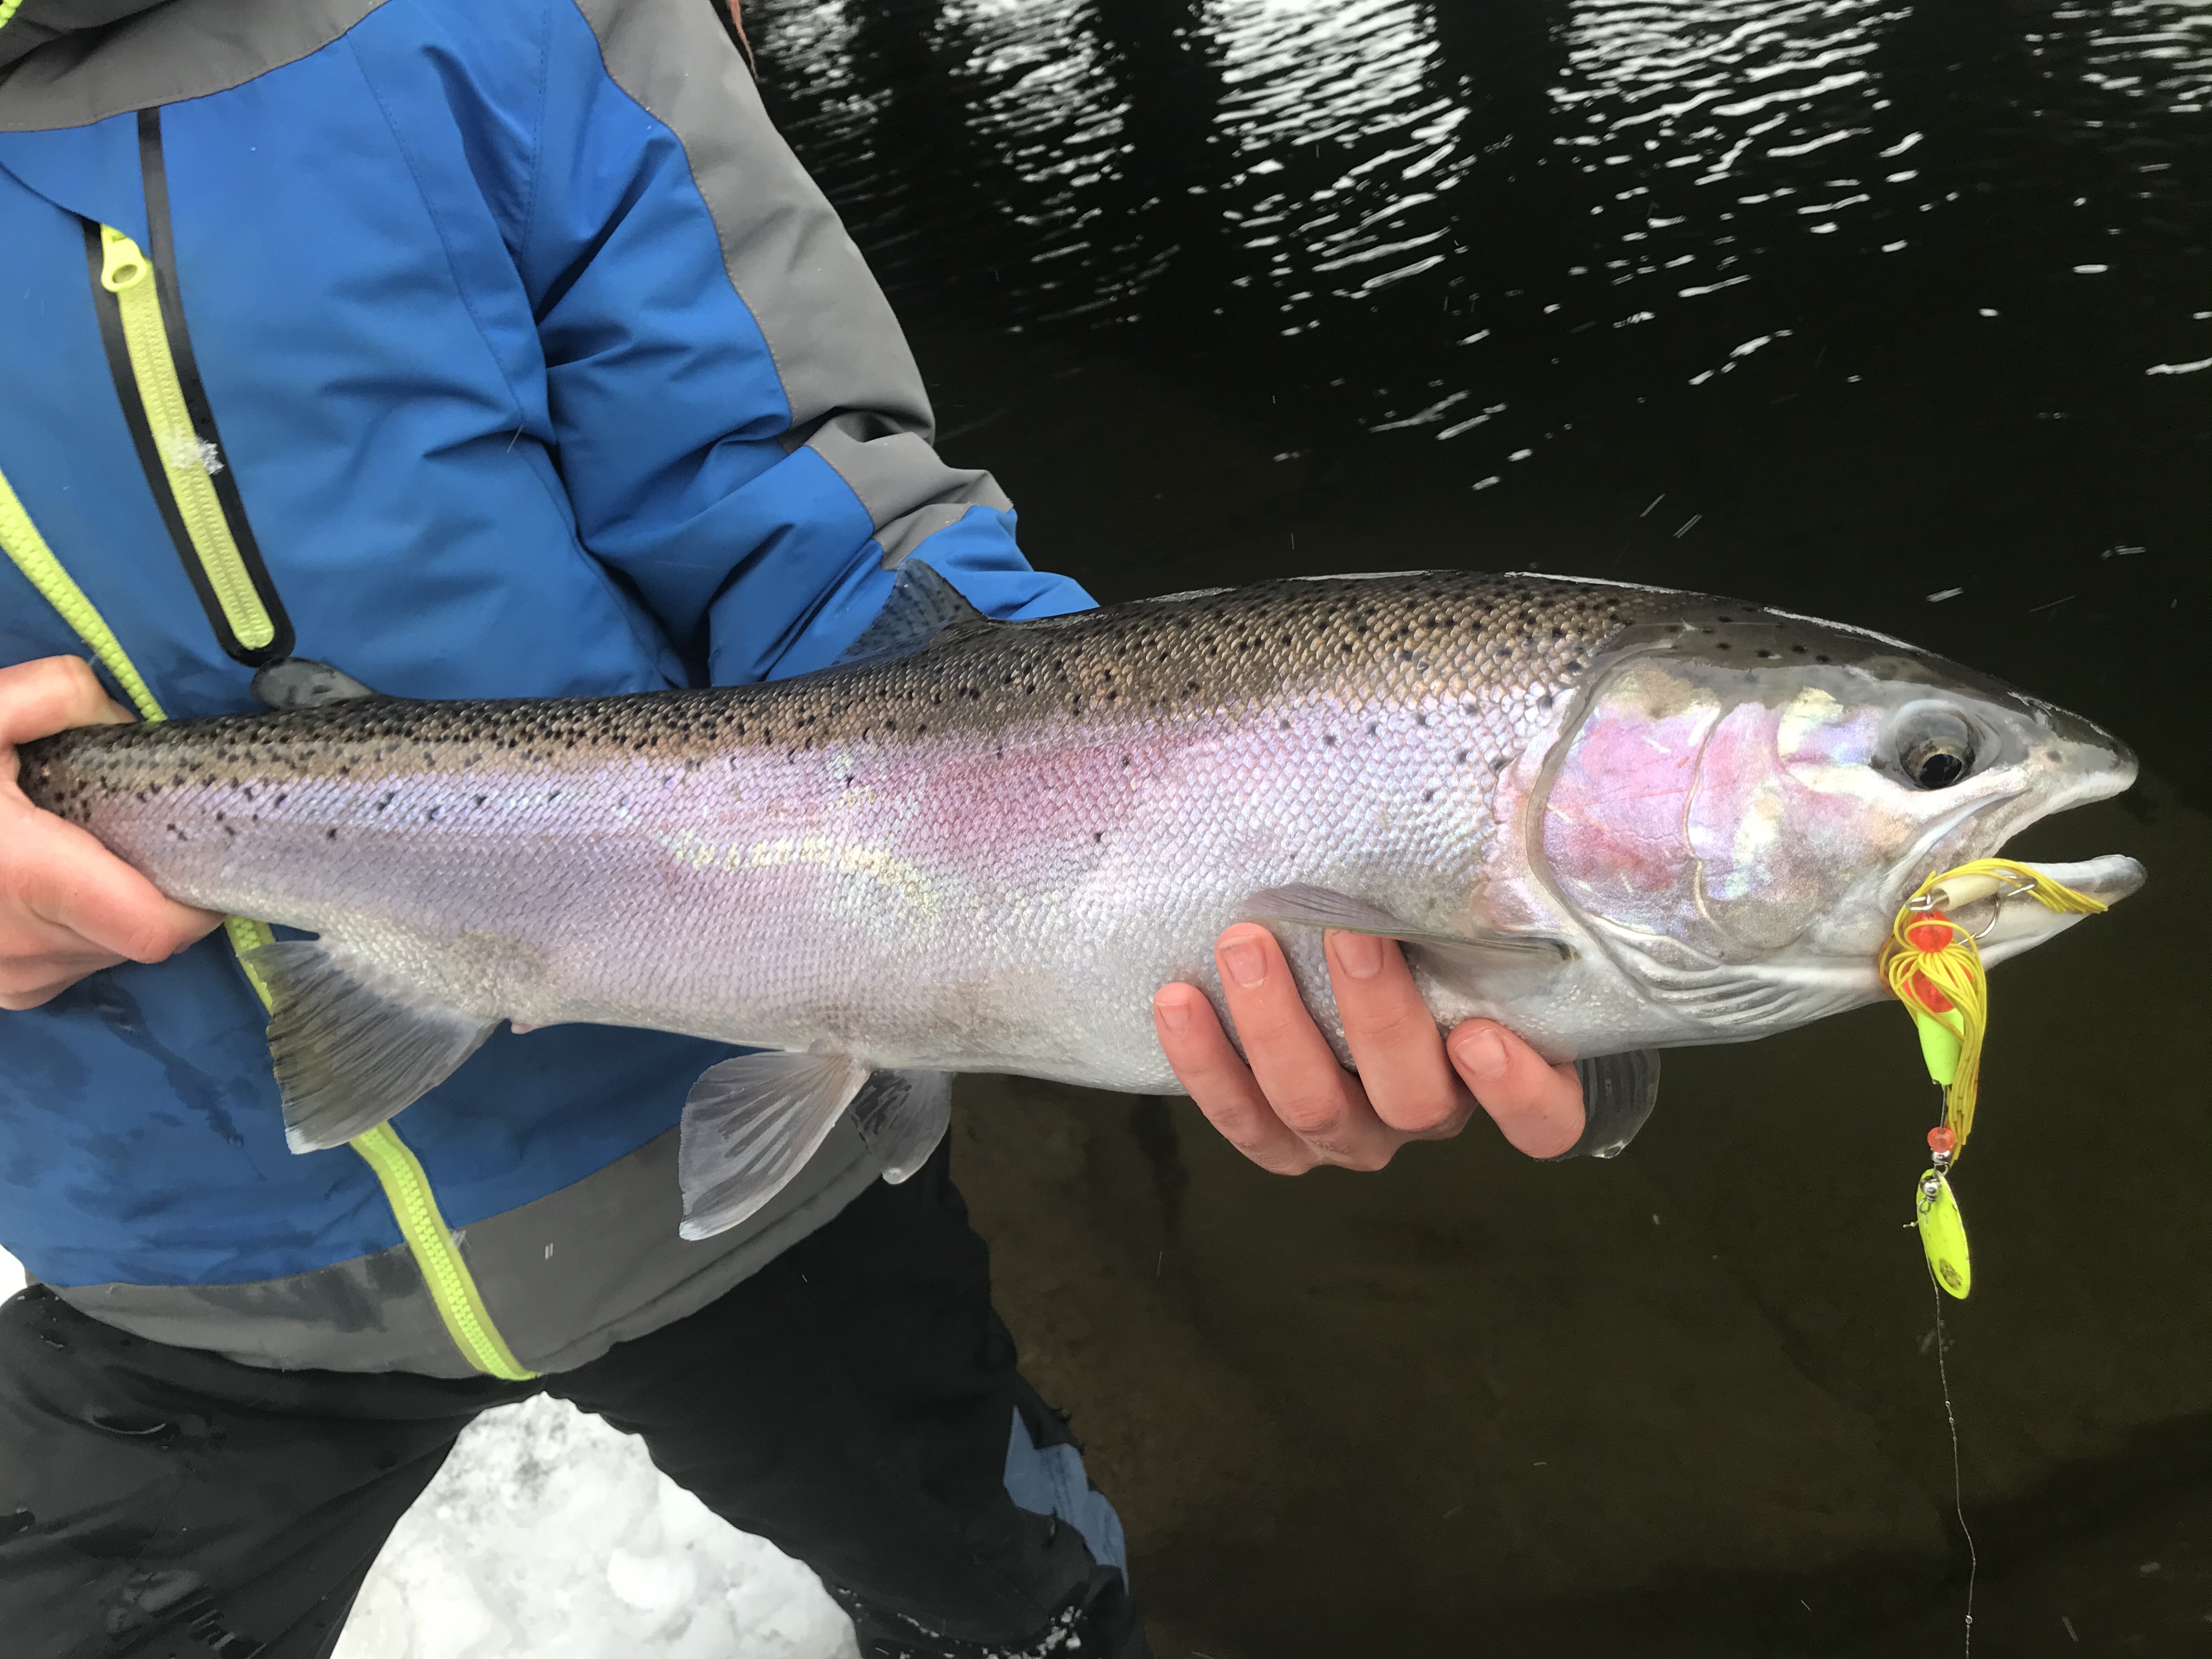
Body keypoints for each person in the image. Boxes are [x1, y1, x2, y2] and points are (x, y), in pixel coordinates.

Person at [0, 1, 1591, 1655]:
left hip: (755, 1194)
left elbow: (809, 515)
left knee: (1014, 1613)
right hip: (164, 1268)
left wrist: (1171, 834)